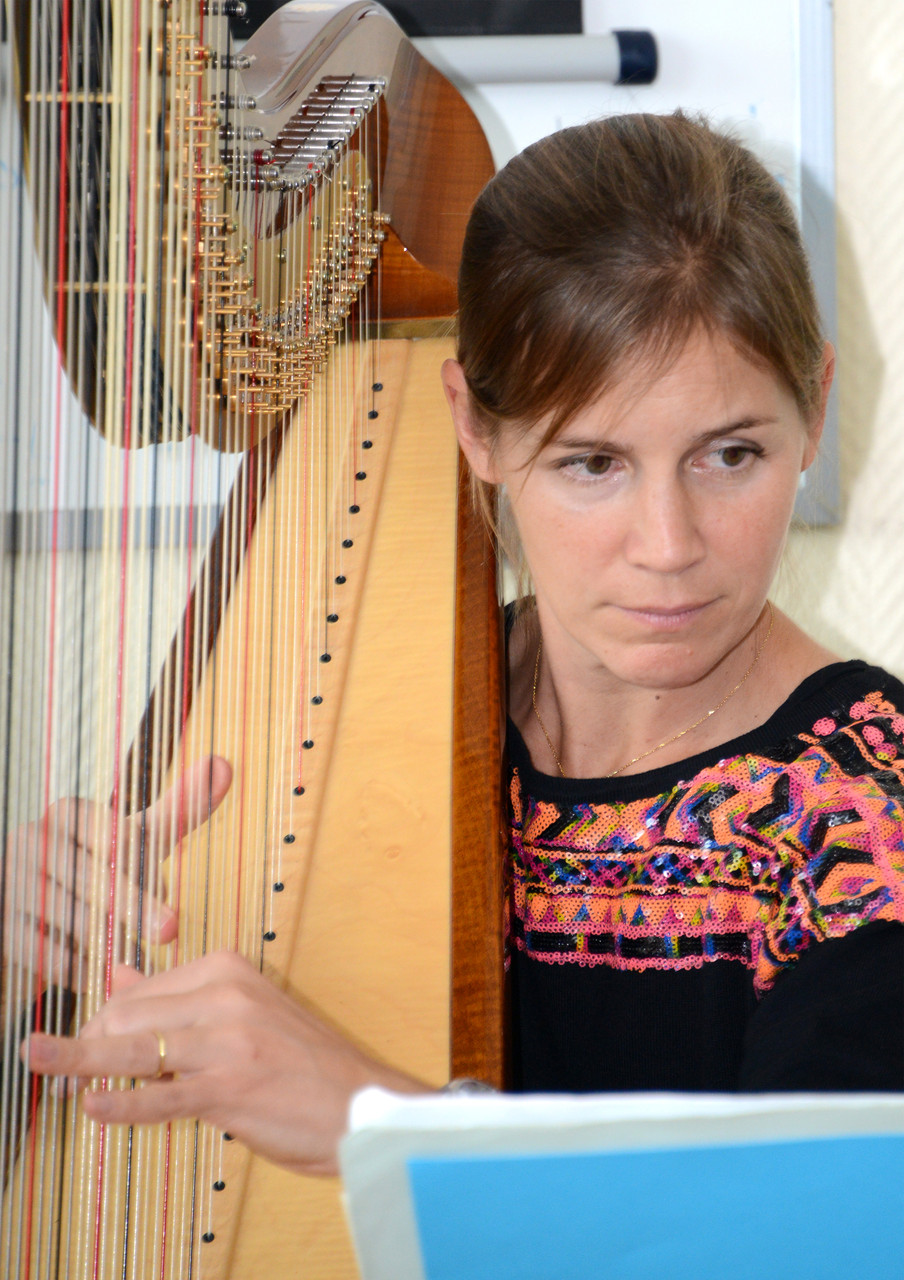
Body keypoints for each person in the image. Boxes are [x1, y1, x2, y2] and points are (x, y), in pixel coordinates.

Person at [24, 111, 904, 1174]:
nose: (668, 547)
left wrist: (385, 1129)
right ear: (475, 427)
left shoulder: (861, 818)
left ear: (812, 406)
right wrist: (55, 947)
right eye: (592, 463)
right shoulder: (365, 715)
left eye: (728, 453)